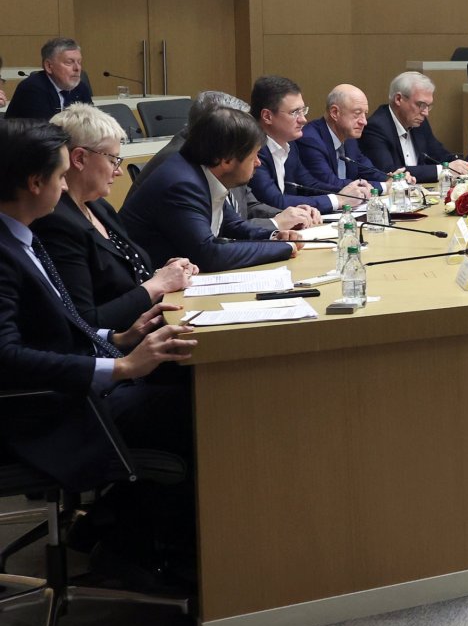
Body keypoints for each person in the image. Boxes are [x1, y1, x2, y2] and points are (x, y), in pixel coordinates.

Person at [0, 118, 196, 496]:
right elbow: (6, 357)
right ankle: (132, 541)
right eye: (59, 176)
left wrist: (119, 337)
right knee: (201, 405)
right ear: (35, 183)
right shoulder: (9, 251)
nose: (64, 185)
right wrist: (122, 366)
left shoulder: (21, 238)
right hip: (47, 414)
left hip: (72, 389)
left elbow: (51, 325)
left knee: (187, 376)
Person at [32, 105, 196, 332]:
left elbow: (129, 277)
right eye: (113, 160)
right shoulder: (56, 222)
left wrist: (166, 273)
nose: (118, 171)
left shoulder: (98, 206)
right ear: (79, 158)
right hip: (117, 349)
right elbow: (84, 321)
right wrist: (156, 286)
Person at [120, 107, 300, 272]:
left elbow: (232, 226)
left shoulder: (201, 171)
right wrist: (283, 248)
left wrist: (274, 237)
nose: (258, 163)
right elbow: (208, 255)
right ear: (227, 160)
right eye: (253, 156)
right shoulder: (182, 184)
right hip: (142, 288)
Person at [130, 91, 318, 231]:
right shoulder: (182, 163)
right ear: (216, 129)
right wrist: (275, 224)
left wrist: (288, 216)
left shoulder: (224, 154)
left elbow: (247, 205)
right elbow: (212, 237)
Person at [249, 75, 368, 212]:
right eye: (295, 112)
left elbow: (309, 185)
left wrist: (351, 191)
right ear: (267, 116)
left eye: (303, 111)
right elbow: (274, 201)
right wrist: (339, 200)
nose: (303, 120)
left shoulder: (290, 145)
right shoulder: (252, 151)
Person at [361, 71, 468, 182]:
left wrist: (462, 165)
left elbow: (439, 155)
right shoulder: (376, 127)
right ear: (398, 99)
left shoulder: (419, 122)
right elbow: (389, 172)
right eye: (421, 105)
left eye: (428, 106)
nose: (425, 112)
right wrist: (443, 170)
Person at [298, 84, 396, 190]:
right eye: (357, 114)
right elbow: (330, 183)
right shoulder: (310, 139)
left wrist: (392, 178)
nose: (364, 122)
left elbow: (368, 170)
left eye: (365, 114)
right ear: (335, 112)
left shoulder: (349, 139)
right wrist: (383, 186)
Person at [5, 38, 94, 120]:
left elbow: (92, 124)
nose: (77, 68)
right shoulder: (32, 88)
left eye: (79, 62)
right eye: (69, 62)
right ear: (48, 66)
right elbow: (43, 132)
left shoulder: (80, 88)